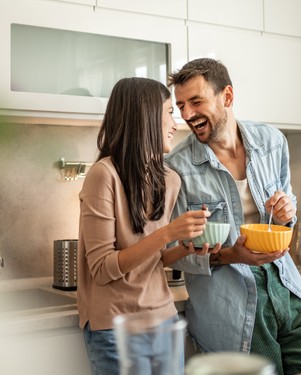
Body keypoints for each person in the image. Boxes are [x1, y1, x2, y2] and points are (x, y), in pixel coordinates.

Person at [165, 58, 301, 375]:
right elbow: (174, 253)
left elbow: (284, 216)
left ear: (227, 97)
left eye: (196, 101)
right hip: (231, 306)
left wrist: (286, 212)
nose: (187, 115)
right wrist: (234, 255)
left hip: (287, 286)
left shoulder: (272, 142)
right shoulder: (178, 167)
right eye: (180, 106)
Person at [77, 77, 219, 375]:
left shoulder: (169, 179)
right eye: (169, 112)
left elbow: (156, 258)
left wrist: (184, 246)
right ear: (144, 117)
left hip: (164, 320)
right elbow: (103, 268)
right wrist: (168, 233)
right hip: (116, 328)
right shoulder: (103, 176)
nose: (176, 124)